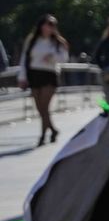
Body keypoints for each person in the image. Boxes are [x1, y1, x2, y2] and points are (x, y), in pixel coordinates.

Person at [18, 14, 69, 146]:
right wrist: (22, 77)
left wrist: (52, 57)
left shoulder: (57, 42)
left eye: (52, 25)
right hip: (34, 75)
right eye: (47, 24)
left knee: (45, 106)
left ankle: (42, 135)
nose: (49, 28)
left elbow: (64, 58)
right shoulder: (32, 40)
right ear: (41, 25)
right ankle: (52, 130)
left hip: (49, 75)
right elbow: (25, 59)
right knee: (40, 107)